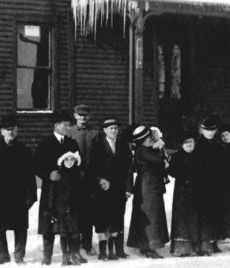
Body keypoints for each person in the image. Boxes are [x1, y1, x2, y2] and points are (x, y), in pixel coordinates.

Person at [0, 114, 37, 265]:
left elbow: (30, 175)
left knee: (20, 226)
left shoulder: (24, 150)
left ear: (17, 130)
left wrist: (31, 195)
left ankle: (19, 255)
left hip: (18, 194)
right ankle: (2, 255)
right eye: (7, 129)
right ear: (1, 131)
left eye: (13, 129)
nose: (10, 132)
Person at [34, 109, 79, 266]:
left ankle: (69, 255)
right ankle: (47, 255)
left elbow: (78, 164)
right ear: (56, 125)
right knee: (48, 223)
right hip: (51, 190)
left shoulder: (72, 143)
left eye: (68, 125)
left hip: (67, 190)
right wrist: (48, 174)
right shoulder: (45, 143)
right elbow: (36, 164)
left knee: (67, 221)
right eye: (64, 125)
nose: (67, 128)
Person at [87, 116, 134, 260]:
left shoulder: (123, 145)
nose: (114, 131)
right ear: (105, 130)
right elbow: (92, 168)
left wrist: (128, 188)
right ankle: (103, 251)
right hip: (103, 189)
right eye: (111, 128)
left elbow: (129, 169)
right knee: (102, 219)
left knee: (117, 218)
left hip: (119, 190)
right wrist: (98, 182)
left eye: (116, 128)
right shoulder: (97, 146)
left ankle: (118, 250)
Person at [126, 124, 169, 258]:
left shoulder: (144, 150)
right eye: (147, 138)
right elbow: (160, 161)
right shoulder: (143, 151)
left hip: (149, 186)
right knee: (151, 216)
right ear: (142, 140)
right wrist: (159, 149)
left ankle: (145, 245)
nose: (150, 139)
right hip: (148, 187)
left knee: (151, 215)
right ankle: (149, 246)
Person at [167, 136, 208, 257]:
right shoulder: (176, 157)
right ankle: (183, 248)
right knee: (183, 219)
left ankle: (200, 247)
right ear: (181, 144)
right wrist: (185, 175)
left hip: (198, 191)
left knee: (199, 218)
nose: (189, 144)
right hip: (183, 192)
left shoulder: (200, 155)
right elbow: (172, 171)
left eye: (191, 142)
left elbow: (205, 170)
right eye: (186, 142)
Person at [194, 115, 227, 253]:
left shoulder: (218, 145)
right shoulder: (197, 145)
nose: (210, 133)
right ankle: (204, 242)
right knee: (204, 215)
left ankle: (215, 241)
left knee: (216, 214)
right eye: (207, 130)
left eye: (212, 130)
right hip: (202, 185)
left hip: (216, 185)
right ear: (202, 131)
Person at [48, 150, 86, 266]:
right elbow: (52, 193)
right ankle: (65, 256)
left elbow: (82, 193)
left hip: (75, 209)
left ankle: (74, 255)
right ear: (62, 161)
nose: (69, 162)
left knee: (75, 233)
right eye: (67, 159)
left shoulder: (79, 174)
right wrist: (52, 209)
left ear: (75, 161)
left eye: (72, 159)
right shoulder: (58, 175)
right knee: (64, 233)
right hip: (61, 209)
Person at [70, 103, 98, 254]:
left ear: (89, 116)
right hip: (74, 178)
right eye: (80, 115)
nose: (83, 118)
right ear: (75, 116)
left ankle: (87, 243)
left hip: (90, 178)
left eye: (85, 115)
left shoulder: (95, 133)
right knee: (74, 212)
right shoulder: (69, 132)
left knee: (88, 213)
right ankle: (74, 243)